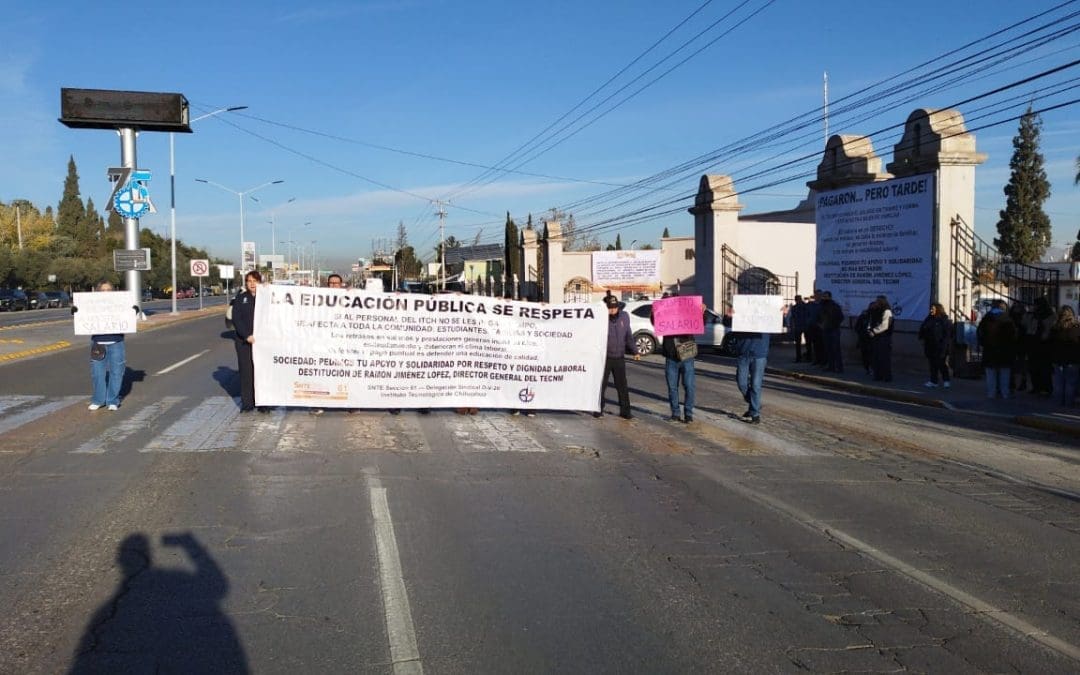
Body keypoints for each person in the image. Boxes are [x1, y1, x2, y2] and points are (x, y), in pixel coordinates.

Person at [79, 280, 135, 411]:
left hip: (116, 342)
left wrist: (134, 310)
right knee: (97, 374)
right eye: (103, 290)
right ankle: (98, 400)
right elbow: (82, 315)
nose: (106, 293)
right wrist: (76, 311)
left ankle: (113, 401)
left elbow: (129, 315)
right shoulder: (91, 305)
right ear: (98, 292)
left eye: (108, 290)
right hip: (98, 343)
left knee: (117, 373)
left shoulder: (121, 304)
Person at [652, 302, 701, 423]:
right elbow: (656, 322)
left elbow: (700, 322)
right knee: (672, 387)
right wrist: (653, 313)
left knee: (689, 386)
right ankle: (675, 413)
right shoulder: (666, 317)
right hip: (671, 358)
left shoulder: (687, 314)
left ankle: (688, 414)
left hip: (687, 356)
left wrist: (701, 312)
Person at [595, 295, 639, 419]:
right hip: (605, 358)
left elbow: (629, 336)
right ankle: (598, 409)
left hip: (619, 357)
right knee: (601, 385)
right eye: (610, 308)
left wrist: (635, 351)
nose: (612, 310)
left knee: (622, 385)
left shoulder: (624, 317)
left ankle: (625, 411)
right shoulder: (600, 319)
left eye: (614, 308)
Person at [724, 309, 771, 424]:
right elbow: (727, 324)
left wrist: (783, 315)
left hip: (759, 354)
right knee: (741, 383)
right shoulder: (741, 313)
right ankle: (754, 404)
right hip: (743, 353)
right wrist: (728, 316)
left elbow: (780, 325)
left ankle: (755, 414)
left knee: (756, 384)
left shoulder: (766, 315)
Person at [311, 273, 347, 416]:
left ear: (341, 284)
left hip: (342, 343)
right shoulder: (319, 299)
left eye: (336, 283)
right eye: (331, 283)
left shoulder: (349, 298)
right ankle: (319, 404)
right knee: (322, 373)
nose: (333, 285)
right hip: (324, 343)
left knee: (344, 374)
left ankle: (350, 404)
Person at [231, 270, 262, 412]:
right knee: (246, 372)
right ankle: (247, 403)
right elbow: (237, 319)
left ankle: (264, 403)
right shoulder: (241, 298)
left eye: (255, 281)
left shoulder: (266, 298)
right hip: (245, 342)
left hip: (263, 343)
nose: (252, 284)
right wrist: (246, 335)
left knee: (262, 372)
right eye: (249, 281)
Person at [977, 298, 1017, 399]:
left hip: (990, 350)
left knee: (991, 374)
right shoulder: (1008, 319)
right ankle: (1005, 393)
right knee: (1005, 374)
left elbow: (980, 333)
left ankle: (991, 393)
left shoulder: (987, 318)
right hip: (1005, 351)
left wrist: (984, 343)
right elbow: (1014, 336)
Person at [1048, 305, 1080, 407]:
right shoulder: (1076, 327)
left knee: (1058, 383)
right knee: (1070, 383)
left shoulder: (1055, 328)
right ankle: (1068, 403)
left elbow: (1050, 343)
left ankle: (1059, 403)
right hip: (1073, 359)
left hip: (1058, 359)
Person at [918, 302, 953, 388]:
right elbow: (923, 328)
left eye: (933, 309)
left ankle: (946, 380)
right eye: (930, 309)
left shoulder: (944, 320)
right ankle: (933, 381)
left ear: (938, 309)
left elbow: (947, 335)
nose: (931, 310)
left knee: (941, 364)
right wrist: (922, 336)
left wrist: (944, 347)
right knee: (932, 364)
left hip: (940, 346)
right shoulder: (929, 319)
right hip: (930, 345)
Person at [1028, 296, 1057, 396]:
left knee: (1044, 368)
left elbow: (1050, 329)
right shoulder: (1034, 315)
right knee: (1035, 367)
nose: (1034, 307)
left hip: (1045, 345)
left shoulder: (1049, 315)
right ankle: (1037, 387)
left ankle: (1045, 388)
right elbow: (1029, 327)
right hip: (1034, 344)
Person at [867, 295, 894, 382]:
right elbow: (871, 321)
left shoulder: (887, 311)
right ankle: (878, 375)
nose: (877, 303)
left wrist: (874, 331)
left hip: (884, 337)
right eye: (876, 301)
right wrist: (869, 329)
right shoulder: (875, 311)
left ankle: (887, 377)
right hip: (876, 337)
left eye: (879, 301)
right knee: (876, 357)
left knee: (884, 358)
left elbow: (885, 325)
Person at [818, 291, 844, 373]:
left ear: (830, 297)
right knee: (828, 349)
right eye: (823, 296)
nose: (824, 298)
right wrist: (820, 324)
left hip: (834, 330)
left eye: (826, 296)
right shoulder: (821, 306)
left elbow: (841, 317)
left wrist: (834, 324)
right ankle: (831, 366)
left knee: (836, 349)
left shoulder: (835, 306)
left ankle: (839, 367)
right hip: (825, 330)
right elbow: (818, 317)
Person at [853, 301, 875, 375]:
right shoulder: (863, 316)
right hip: (864, 339)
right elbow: (857, 327)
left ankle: (873, 368)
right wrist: (862, 333)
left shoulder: (877, 316)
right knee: (865, 355)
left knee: (873, 355)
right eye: (871, 307)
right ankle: (867, 368)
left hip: (873, 339)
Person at [789, 295, 809, 363]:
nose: (797, 301)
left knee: (801, 343)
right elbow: (793, 317)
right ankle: (804, 357)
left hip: (802, 326)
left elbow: (793, 317)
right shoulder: (804, 306)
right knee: (804, 343)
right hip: (802, 326)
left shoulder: (800, 307)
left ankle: (800, 358)